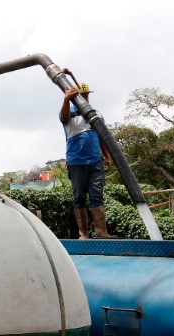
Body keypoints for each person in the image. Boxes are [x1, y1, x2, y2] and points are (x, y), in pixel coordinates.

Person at [59, 81, 115, 239]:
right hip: (76, 161)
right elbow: (62, 118)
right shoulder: (69, 112)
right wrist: (66, 100)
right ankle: (83, 233)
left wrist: (108, 156)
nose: (84, 98)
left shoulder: (96, 113)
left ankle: (102, 232)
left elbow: (102, 136)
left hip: (95, 161)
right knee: (79, 197)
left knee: (97, 195)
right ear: (75, 97)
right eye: (81, 96)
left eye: (86, 95)